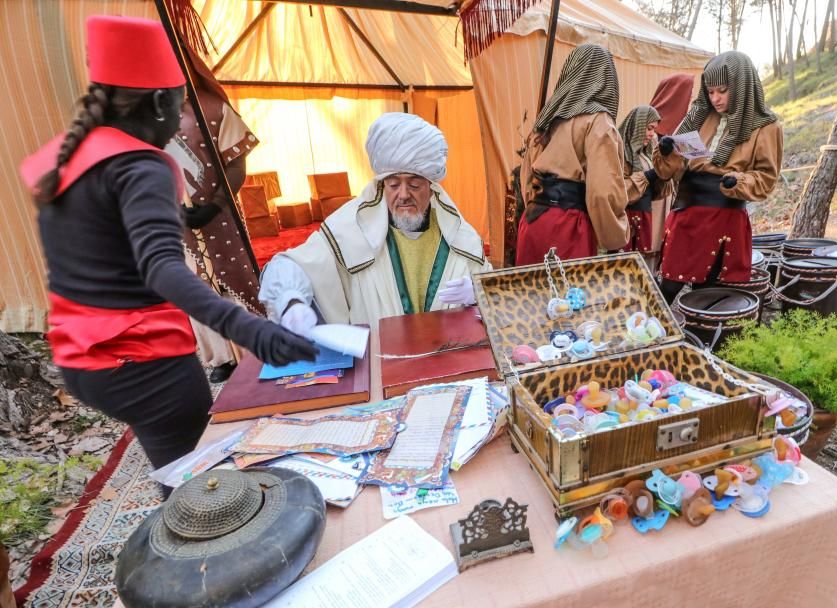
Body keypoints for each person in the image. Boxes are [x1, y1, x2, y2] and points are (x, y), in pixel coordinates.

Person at [19, 16, 316, 472]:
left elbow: (101, 236)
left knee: (178, 472)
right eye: (178, 106)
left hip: (83, 361)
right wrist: (252, 330)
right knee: (201, 485)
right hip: (144, 360)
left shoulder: (73, 154)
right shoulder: (141, 165)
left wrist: (174, 215)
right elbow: (161, 267)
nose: (180, 119)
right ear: (159, 100)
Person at [259, 113, 490, 330]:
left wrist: (480, 292)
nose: (403, 194)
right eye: (393, 184)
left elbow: (501, 296)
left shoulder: (460, 237)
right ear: (381, 185)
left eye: (414, 184)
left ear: (431, 188)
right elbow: (289, 265)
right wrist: (290, 301)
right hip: (376, 359)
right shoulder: (350, 228)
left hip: (445, 359)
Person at [165, 44, 261, 383]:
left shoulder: (214, 108)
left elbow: (236, 164)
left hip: (220, 218)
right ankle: (221, 356)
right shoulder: (145, 116)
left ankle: (252, 347)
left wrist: (216, 205)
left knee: (233, 275)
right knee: (195, 283)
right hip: (177, 223)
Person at [657, 51, 783, 303]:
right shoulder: (699, 116)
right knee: (668, 285)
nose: (715, 98)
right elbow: (669, 171)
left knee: (709, 293)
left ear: (741, 86)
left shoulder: (766, 126)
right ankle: (646, 334)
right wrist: (667, 153)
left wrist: (738, 182)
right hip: (687, 212)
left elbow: (766, 179)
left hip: (724, 216)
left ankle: (702, 338)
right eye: (710, 91)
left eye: (722, 91)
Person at [516, 44, 628, 265]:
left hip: (533, 221)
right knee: (569, 298)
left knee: (531, 295)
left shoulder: (548, 118)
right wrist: (614, 237)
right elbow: (602, 192)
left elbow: (527, 178)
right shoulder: (598, 121)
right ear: (607, 78)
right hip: (569, 228)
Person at [648, 74, 695, 272]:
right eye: (688, 97)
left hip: (668, 201)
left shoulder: (680, 131)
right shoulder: (647, 129)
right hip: (649, 204)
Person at [618, 105, 668, 262]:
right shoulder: (620, 152)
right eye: (649, 128)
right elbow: (617, 190)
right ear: (638, 125)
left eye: (654, 129)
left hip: (644, 216)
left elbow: (655, 192)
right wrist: (647, 176)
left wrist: (663, 173)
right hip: (627, 220)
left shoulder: (645, 154)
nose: (652, 134)